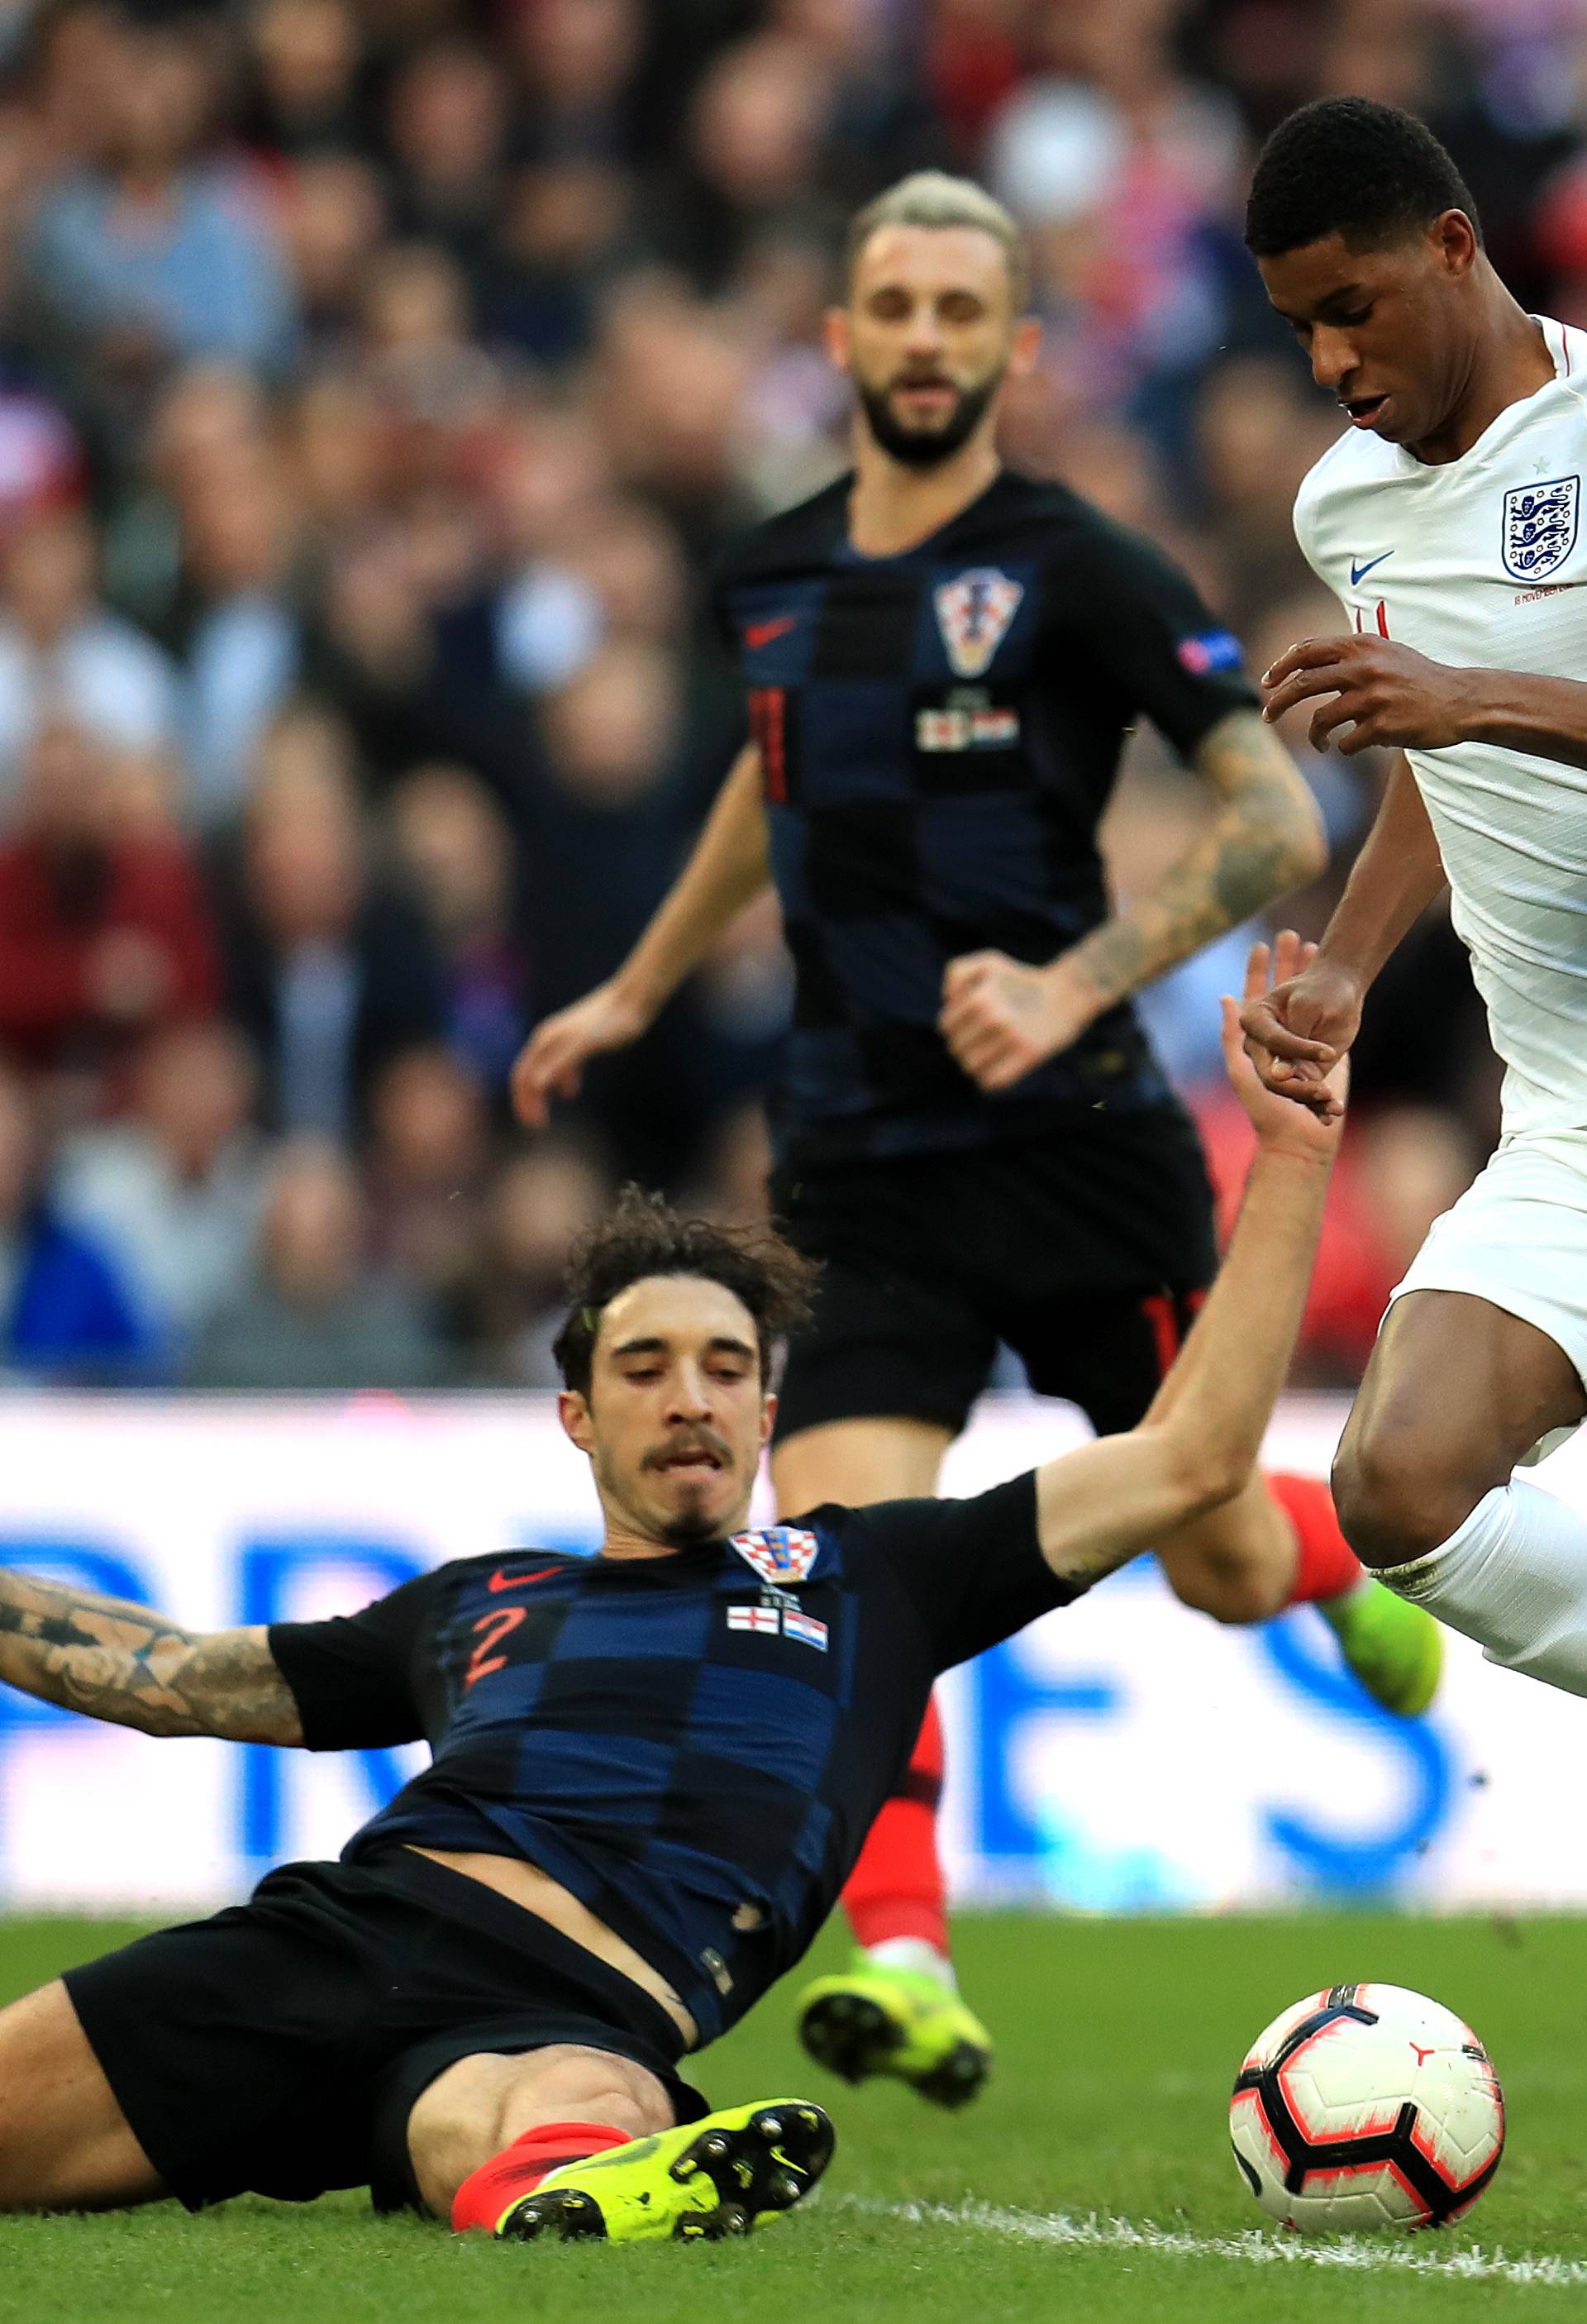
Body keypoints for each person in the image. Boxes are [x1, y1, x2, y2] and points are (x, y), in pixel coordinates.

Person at [511, 168, 1442, 2103]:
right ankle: (914, 1966)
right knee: (840, 1562)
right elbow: (767, 797)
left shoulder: (1082, 566)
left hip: (1086, 1151)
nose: (924, 339)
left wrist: (1076, 974)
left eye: (961, 310)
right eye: (893, 306)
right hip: (858, 1166)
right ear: (841, 337)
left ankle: (1321, 1557)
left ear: (1013, 349)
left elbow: (1275, 824)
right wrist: (637, 984)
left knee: (1215, 1560)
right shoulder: (770, 576)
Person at [0, 944, 1343, 2240]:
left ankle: (570, 2185)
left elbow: (1194, 1455)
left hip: (581, 2011)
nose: (688, 1397)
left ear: (769, 1408)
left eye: (720, 1366)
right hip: (342, 1943)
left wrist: (1288, 1157)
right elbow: (170, 1679)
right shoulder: (478, 1603)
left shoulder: (875, 1574)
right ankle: (564, 2171)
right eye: (646, 1369)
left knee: (568, 2106)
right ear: (578, 1416)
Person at [1238, 96, 1587, 1701]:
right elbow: (1432, 755)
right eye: (1301, 329)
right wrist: (1351, 969)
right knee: (1398, 1484)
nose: (1330, 364)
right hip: (1571, 1114)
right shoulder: (1347, 504)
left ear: (1453, 248)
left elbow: (1463, 708)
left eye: (1351, 310)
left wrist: (1478, 698)